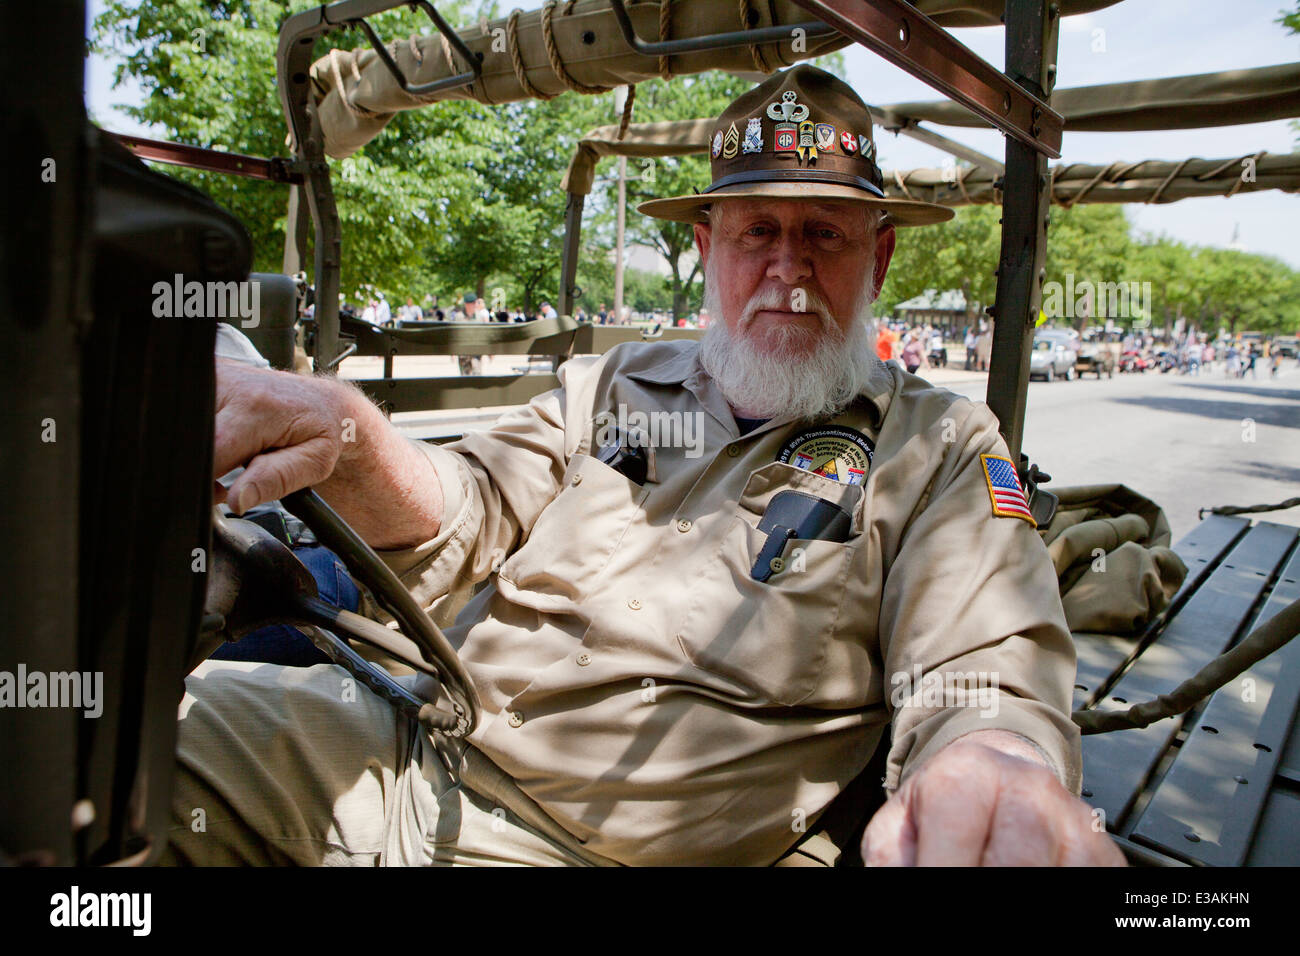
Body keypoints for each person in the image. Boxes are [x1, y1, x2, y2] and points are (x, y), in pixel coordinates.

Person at [177, 66, 1118, 867]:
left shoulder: (939, 447)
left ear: (879, 257)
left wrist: (994, 761)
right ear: (707, 249)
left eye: (824, 233)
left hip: (606, 850)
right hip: (410, 743)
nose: (788, 270)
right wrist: (353, 435)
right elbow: (469, 504)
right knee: (101, 744)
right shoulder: (615, 384)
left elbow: (985, 658)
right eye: (758, 232)